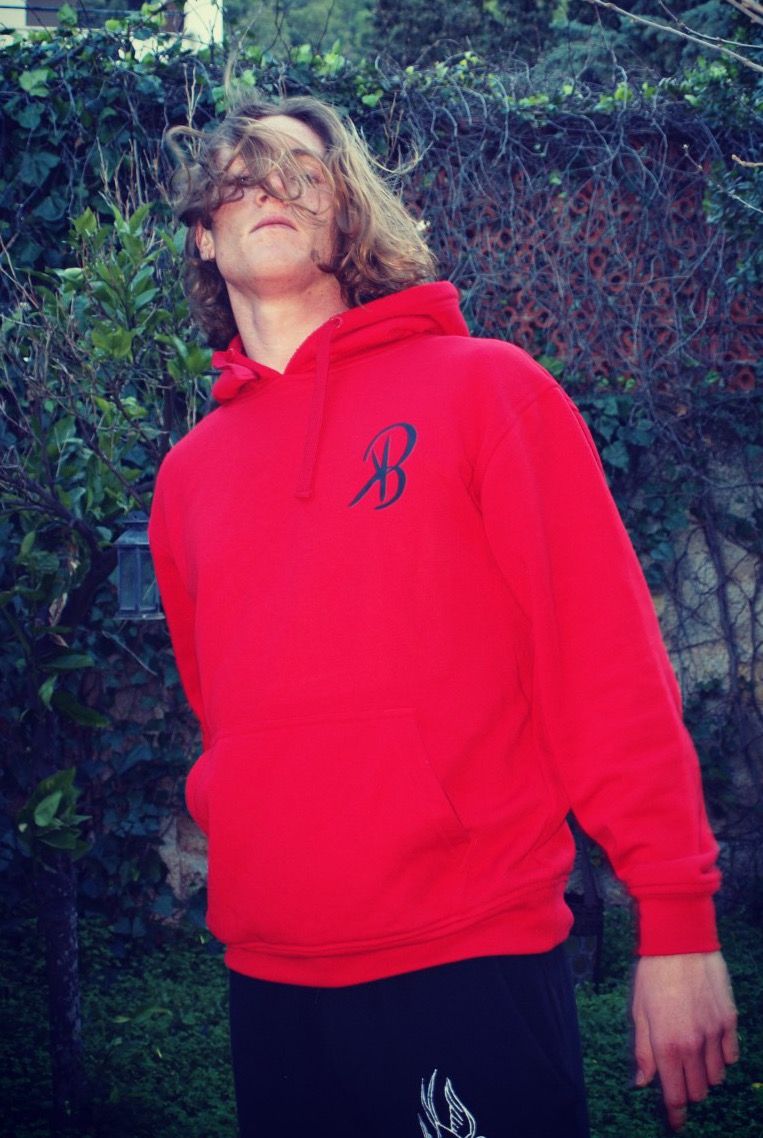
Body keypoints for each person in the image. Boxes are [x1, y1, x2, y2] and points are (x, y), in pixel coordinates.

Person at [150, 93, 739, 1138]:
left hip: (468, 956)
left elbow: (602, 663)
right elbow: (221, 709)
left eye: (301, 173)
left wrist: (677, 920)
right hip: (271, 980)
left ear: (348, 214)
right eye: (239, 180)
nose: (269, 192)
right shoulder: (187, 478)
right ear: (203, 234)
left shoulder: (485, 392)